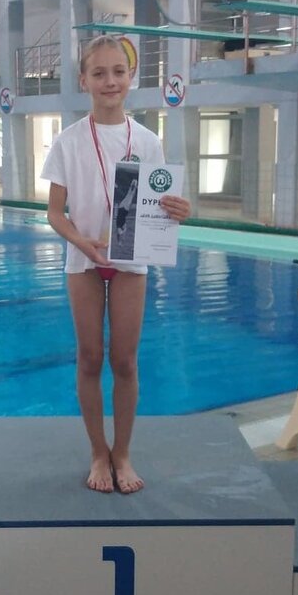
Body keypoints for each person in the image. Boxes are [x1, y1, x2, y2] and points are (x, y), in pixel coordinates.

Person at [41, 35, 190, 495]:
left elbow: (159, 204)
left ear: (131, 77)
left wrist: (178, 211)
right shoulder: (67, 141)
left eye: (118, 72)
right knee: (89, 357)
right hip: (83, 260)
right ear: (83, 80)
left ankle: (122, 452)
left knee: (124, 360)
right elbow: (54, 213)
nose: (110, 81)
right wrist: (82, 243)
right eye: (99, 73)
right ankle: (97, 451)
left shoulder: (147, 141)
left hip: (131, 260)